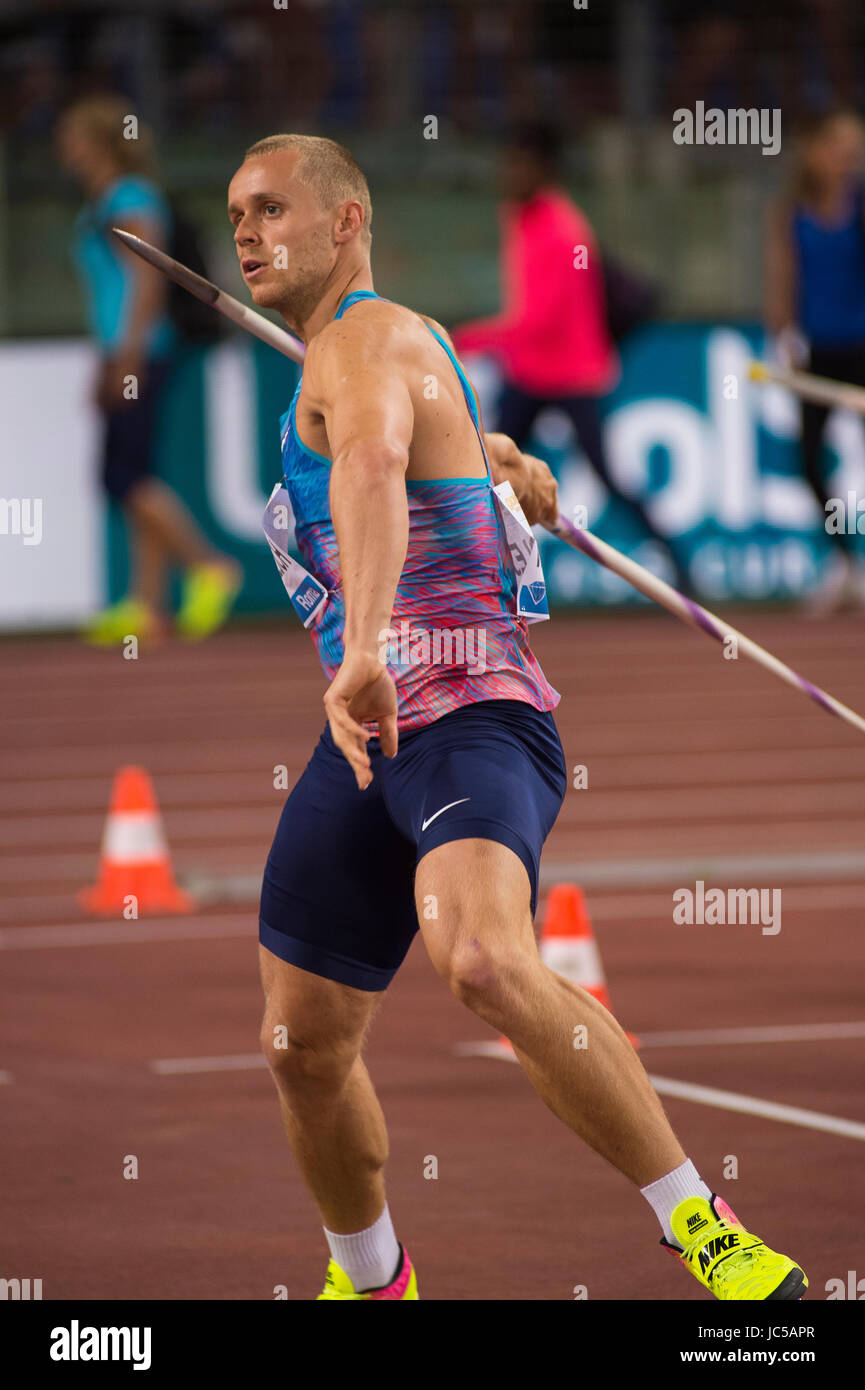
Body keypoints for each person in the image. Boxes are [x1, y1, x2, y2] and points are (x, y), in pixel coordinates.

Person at [232, 132, 806, 1301]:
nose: (245, 231)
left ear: (347, 223)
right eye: (235, 212)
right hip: (367, 739)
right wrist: (490, 454)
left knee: (486, 957)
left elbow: (376, 467)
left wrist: (371, 643)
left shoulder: (357, 341)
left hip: (467, 717)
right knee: (301, 1044)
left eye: (272, 208)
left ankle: (703, 1227)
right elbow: (414, 439)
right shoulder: (389, 348)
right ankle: (371, 1277)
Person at [450, 121, 692, 596]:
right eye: (507, 163)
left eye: (519, 164)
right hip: (530, 371)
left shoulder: (564, 230)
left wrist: (464, 339)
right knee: (487, 475)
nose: (509, 173)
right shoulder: (517, 216)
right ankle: (488, 579)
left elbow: (540, 319)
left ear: (544, 168)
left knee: (606, 477)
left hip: (575, 373)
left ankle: (679, 566)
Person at [55, 95, 242, 644]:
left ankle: (208, 565)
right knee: (137, 470)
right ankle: (147, 604)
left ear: (96, 143)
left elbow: (145, 279)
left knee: (123, 475)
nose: (63, 146)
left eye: (72, 136)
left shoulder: (129, 197)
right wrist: (108, 358)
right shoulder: (108, 199)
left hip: (146, 349)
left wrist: (129, 355)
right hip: (129, 349)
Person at [765, 107, 865, 614]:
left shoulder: (861, 206)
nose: (847, 160)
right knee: (809, 459)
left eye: (854, 150)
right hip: (820, 354)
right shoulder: (794, 211)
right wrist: (783, 335)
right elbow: (783, 279)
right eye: (838, 148)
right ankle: (847, 562)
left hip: (863, 349)